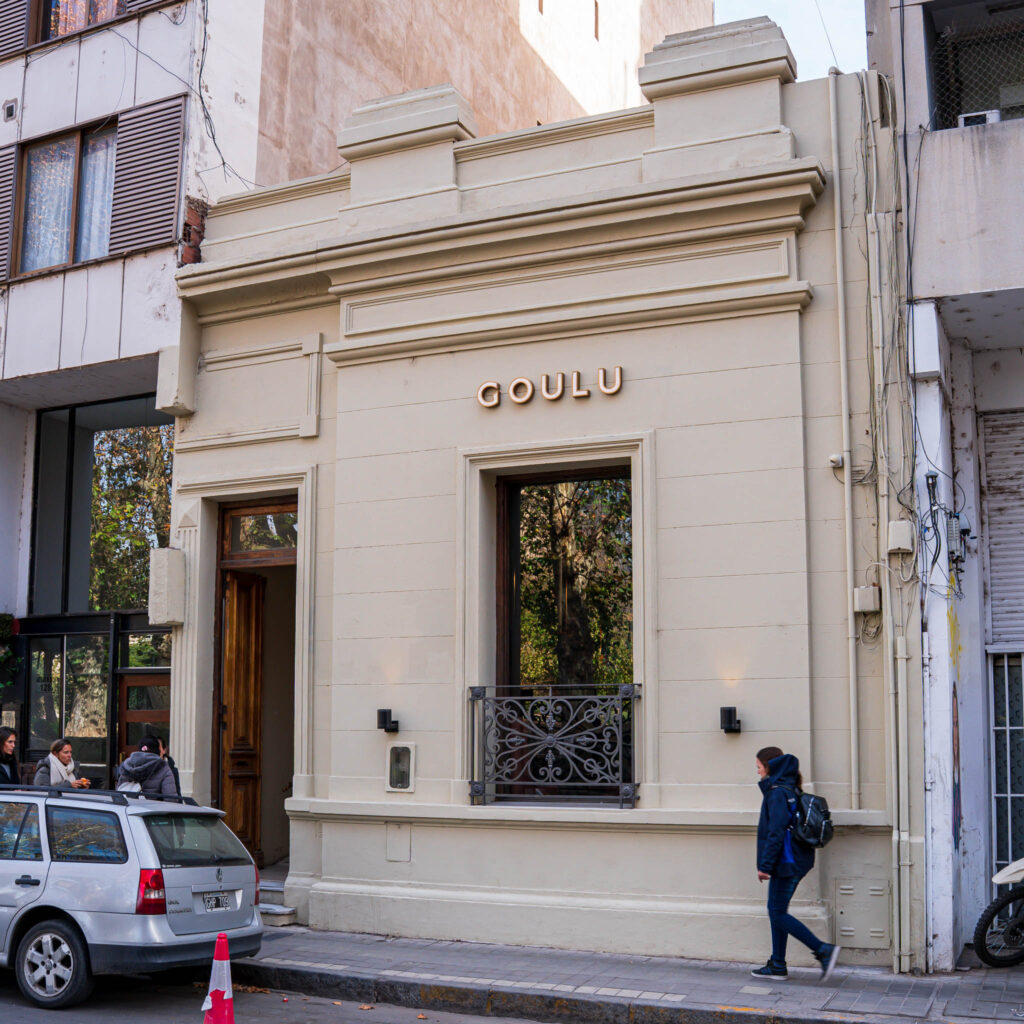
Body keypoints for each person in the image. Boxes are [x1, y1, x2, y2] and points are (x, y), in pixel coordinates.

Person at [752, 745, 839, 982]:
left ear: (769, 766)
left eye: (758, 766)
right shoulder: (790, 788)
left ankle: (823, 950)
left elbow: (776, 832)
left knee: (777, 912)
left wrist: (765, 866)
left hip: (786, 862)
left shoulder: (777, 793)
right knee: (777, 911)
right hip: (794, 860)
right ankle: (778, 964)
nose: (757, 771)